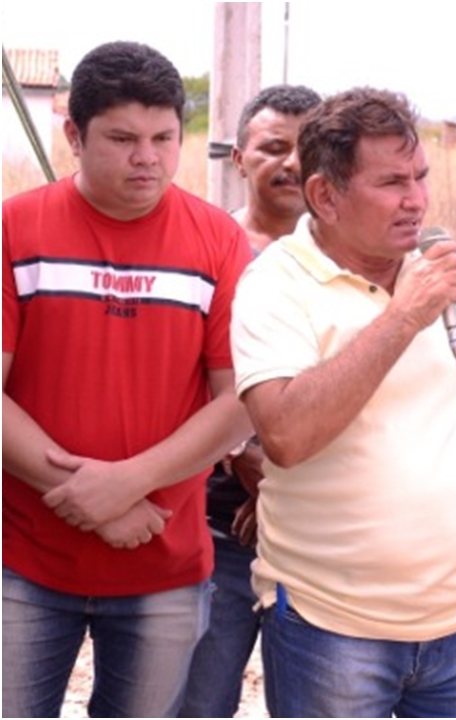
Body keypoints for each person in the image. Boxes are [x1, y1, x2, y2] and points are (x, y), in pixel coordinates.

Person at [230, 87, 456, 717]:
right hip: (332, 630)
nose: (416, 199)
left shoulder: (440, 270)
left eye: (420, 177)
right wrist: (402, 316)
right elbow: (286, 436)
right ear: (325, 195)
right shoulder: (274, 284)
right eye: (390, 182)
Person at [2, 41, 252, 717]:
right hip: (21, 561)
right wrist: (92, 495)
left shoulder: (218, 241)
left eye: (164, 138)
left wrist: (129, 483)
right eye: (122, 138)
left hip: (163, 566)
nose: (148, 157)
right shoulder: (16, 227)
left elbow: (239, 404)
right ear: (74, 136)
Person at [179, 83, 321, 719]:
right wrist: (243, 457)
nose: (290, 162)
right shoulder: (198, 255)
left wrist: (285, 485)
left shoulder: (357, 264)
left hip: (324, 542)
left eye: (307, 148)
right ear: (239, 157)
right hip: (217, 533)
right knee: (198, 703)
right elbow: (170, 382)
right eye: (272, 147)